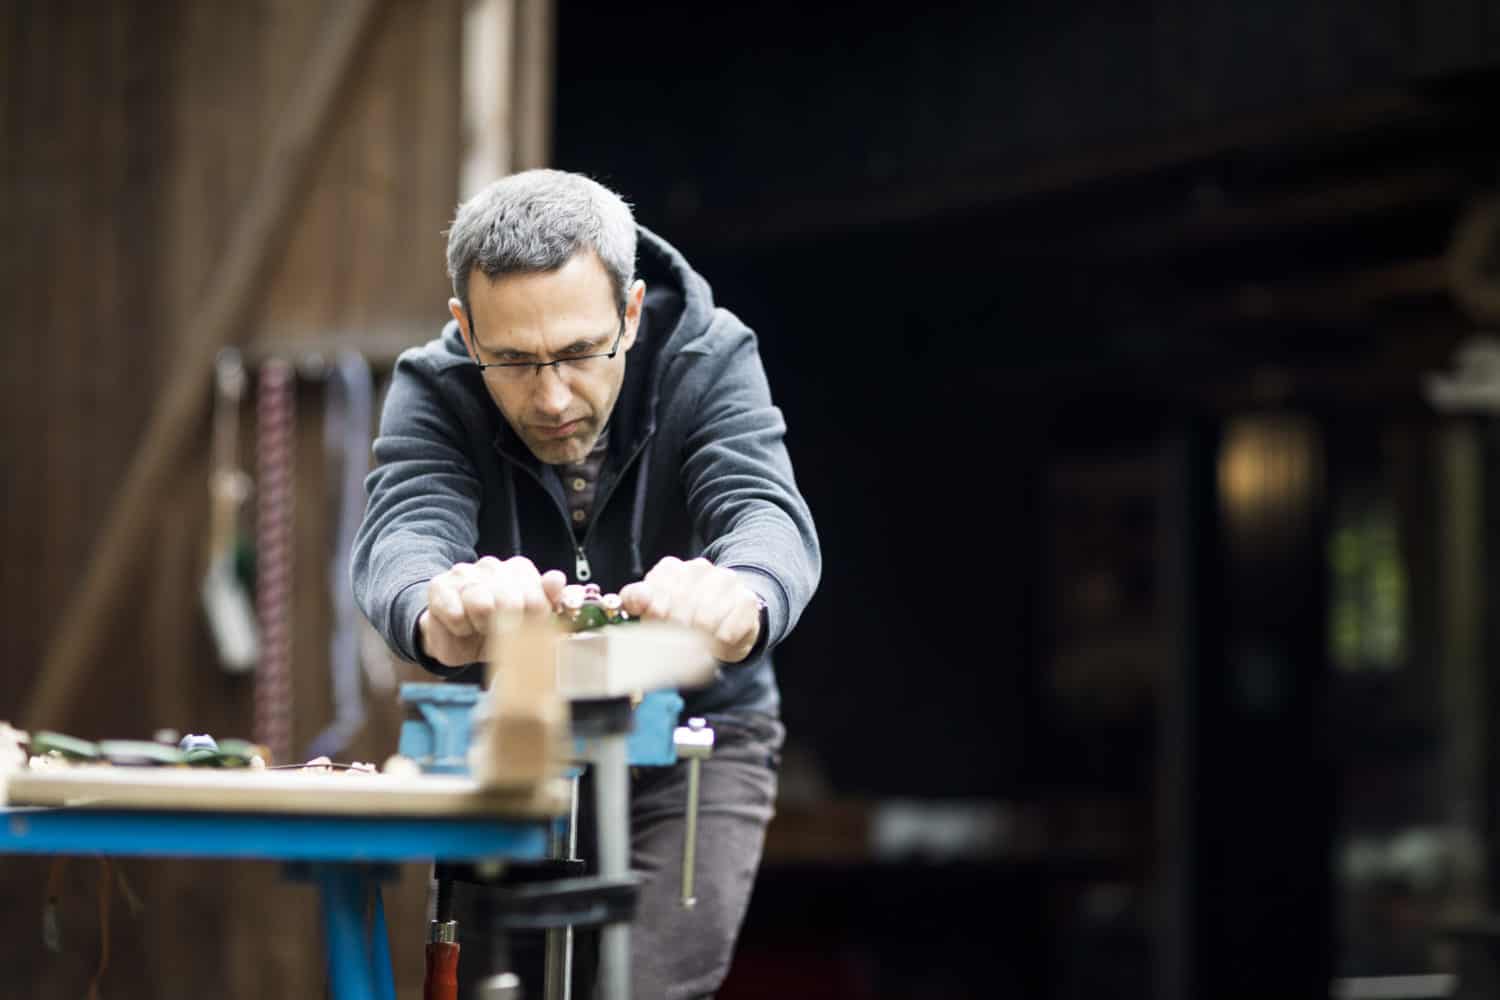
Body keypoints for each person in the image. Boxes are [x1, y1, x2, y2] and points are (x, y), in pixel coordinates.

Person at [352, 168, 821, 998]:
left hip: (700, 742)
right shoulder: (433, 387)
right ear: (465, 329)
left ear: (631, 312)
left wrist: (739, 591)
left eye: (577, 353)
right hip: (518, 737)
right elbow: (403, 536)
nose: (551, 396)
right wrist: (437, 607)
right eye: (512, 361)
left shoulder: (710, 358)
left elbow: (765, 513)